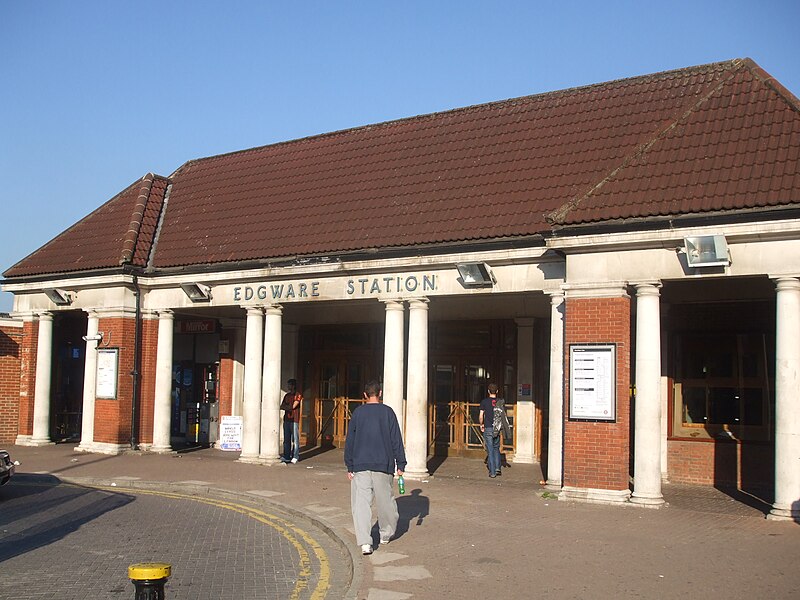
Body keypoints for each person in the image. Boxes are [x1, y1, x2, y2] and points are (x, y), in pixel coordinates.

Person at [344, 379, 407, 555]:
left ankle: (365, 542)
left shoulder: (358, 413)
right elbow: (396, 439)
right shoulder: (388, 412)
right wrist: (400, 463)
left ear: (365, 395)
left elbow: (350, 440)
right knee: (386, 501)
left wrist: (349, 464)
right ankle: (386, 534)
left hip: (361, 463)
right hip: (383, 463)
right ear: (380, 393)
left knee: (361, 504)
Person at [479, 383, 503, 478]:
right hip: (497, 428)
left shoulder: (484, 402)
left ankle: (492, 472)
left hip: (488, 427)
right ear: (497, 391)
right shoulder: (500, 402)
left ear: (488, 391)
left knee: (490, 449)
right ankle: (498, 468)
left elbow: (481, 416)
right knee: (496, 447)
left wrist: (481, 425)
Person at [280, 379, 302, 463]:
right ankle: (286, 456)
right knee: (286, 439)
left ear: (293, 386)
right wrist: (287, 406)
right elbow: (282, 406)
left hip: (294, 419)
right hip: (287, 419)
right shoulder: (286, 395)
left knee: (295, 439)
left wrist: (287, 406)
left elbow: (294, 406)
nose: (288, 386)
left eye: (289, 385)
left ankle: (295, 455)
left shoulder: (298, 395)